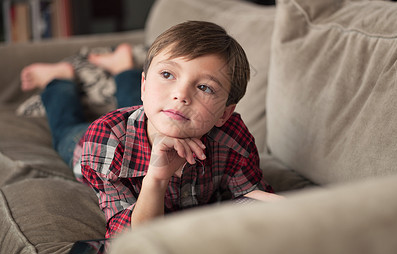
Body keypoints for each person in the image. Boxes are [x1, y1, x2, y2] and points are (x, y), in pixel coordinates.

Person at [21, 21, 281, 239]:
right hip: (91, 144)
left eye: (204, 87)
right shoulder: (105, 139)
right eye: (168, 74)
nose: (181, 95)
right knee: (67, 126)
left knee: (153, 107)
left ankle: (123, 66)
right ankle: (59, 79)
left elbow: (250, 194)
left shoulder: (231, 136)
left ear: (225, 113)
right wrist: (156, 178)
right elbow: (131, 241)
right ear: (144, 84)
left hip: (148, 116)